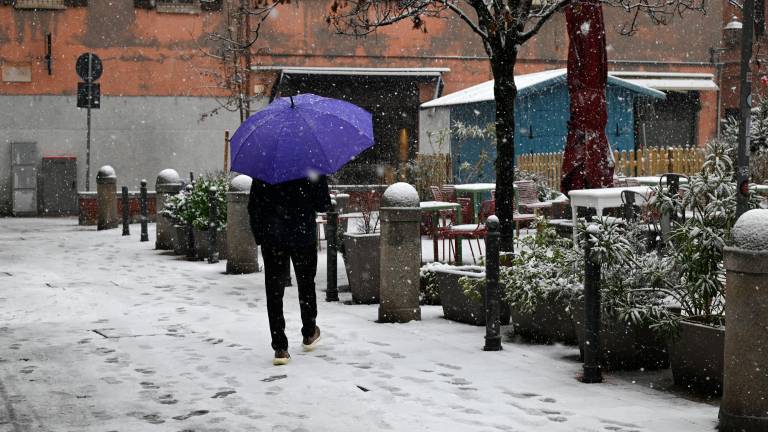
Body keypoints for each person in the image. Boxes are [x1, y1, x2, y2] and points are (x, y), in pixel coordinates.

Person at [248, 175, 331, 365]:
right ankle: (309, 332)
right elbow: (323, 203)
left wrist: (261, 235)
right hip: (302, 235)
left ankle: (280, 347)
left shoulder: (265, 170)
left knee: (274, 291)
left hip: (273, 237)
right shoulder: (311, 165)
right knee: (306, 284)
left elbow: (253, 206)